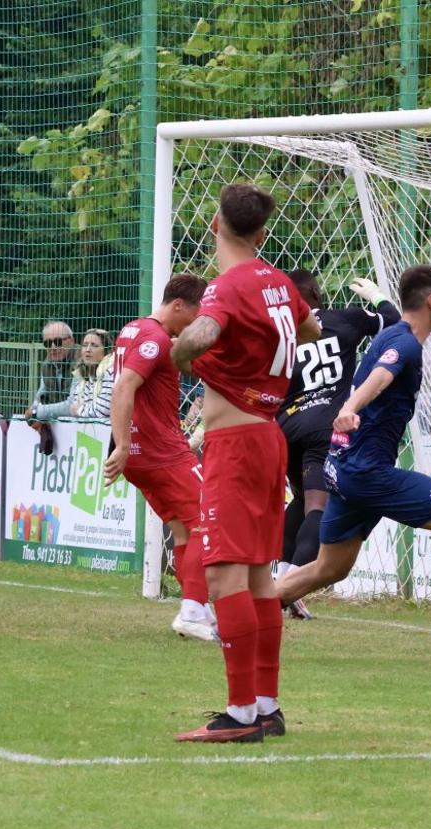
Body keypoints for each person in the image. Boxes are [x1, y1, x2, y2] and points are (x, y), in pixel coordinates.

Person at [277, 265, 431, 666]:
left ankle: (241, 612)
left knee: (328, 568)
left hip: (347, 468)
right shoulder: (405, 343)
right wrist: (350, 408)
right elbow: (380, 375)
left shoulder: (395, 334)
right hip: (367, 472)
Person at [169, 184, 321, 744]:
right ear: (260, 233)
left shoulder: (225, 288)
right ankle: (265, 704)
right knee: (259, 574)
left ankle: (238, 715)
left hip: (235, 444)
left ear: (215, 225)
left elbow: (204, 333)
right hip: (269, 434)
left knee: (223, 572)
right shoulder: (279, 281)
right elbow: (309, 328)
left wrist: (182, 352)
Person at [274, 270, 400, 616]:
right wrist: (376, 298)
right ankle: (290, 590)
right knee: (319, 505)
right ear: (315, 293)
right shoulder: (346, 319)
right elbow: (393, 321)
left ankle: (280, 581)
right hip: (325, 427)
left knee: (300, 501)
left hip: (285, 427)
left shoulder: (280, 335)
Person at [103, 273, 213, 642]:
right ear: (178, 305)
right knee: (207, 518)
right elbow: (124, 386)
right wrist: (120, 443)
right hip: (160, 451)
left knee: (184, 528)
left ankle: (197, 607)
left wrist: (123, 445)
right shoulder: (152, 338)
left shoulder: (134, 329)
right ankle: (193, 610)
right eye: (197, 313)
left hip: (141, 454)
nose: (199, 321)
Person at [30, 328, 112, 421]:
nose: (88, 350)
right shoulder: (81, 370)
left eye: (94, 345)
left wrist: (38, 412)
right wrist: (35, 410)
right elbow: (75, 403)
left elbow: (100, 411)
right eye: (85, 345)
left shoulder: (110, 370)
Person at [25, 320, 77, 454]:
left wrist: (37, 413)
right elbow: (40, 397)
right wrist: (34, 412)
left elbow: (72, 406)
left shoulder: (81, 361)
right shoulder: (47, 364)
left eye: (58, 342)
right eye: (48, 343)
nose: (53, 347)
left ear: (71, 340)